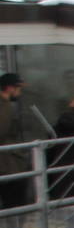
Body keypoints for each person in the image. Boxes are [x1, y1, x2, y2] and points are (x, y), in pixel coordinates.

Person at [0, 73, 30, 209]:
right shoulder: (5, 105)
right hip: (9, 164)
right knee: (15, 203)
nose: (20, 92)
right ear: (9, 88)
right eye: (18, 88)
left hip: (9, 163)